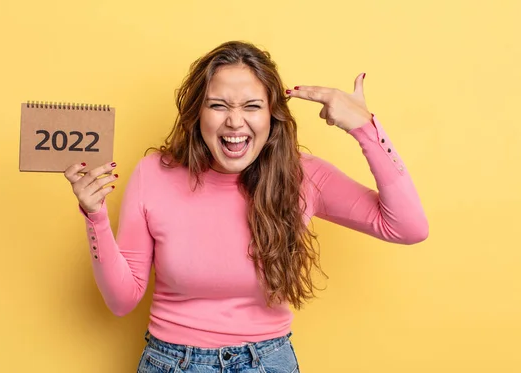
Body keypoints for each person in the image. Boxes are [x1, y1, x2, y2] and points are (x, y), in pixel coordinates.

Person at [64, 41, 428, 373]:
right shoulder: (153, 175)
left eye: (252, 106)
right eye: (218, 105)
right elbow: (121, 301)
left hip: (269, 363)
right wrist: (94, 216)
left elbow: (409, 227)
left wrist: (364, 127)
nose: (234, 122)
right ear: (197, 114)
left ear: (272, 116)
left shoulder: (302, 176)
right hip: (172, 362)